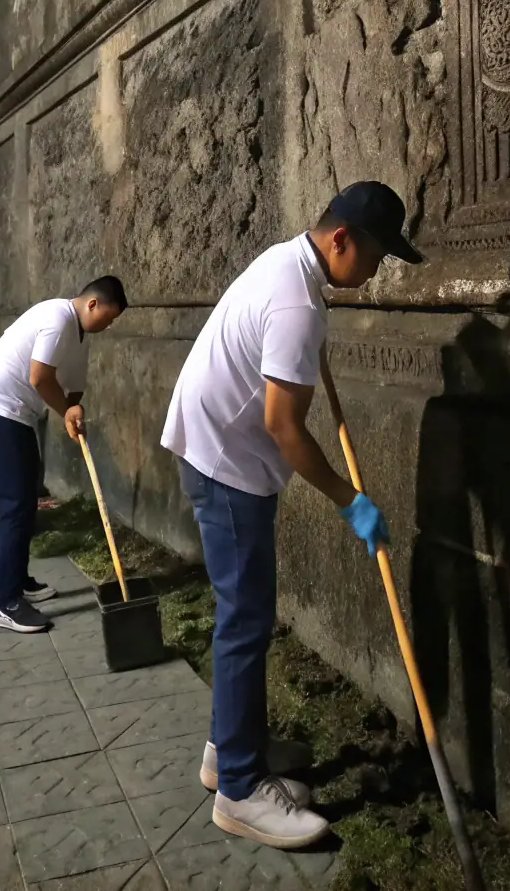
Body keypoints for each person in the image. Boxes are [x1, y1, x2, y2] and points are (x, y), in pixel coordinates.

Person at [161, 181, 422, 849]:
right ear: (340, 239)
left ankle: (228, 749)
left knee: (240, 613)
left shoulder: (289, 264)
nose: (375, 269)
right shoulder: (297, 300)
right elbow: (284, 425)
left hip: (212, 439)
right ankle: (241, 792)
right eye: (375, 255)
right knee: (246, 618)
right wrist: (349, 500)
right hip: (228, 460)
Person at [0, 276, 129, 634]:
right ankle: (5, 603)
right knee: (16, 501)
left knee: (27, 495)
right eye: (109, 317)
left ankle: (18, 578)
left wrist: (74, 411)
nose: (109, 325)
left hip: (15, 413)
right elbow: (39, 377)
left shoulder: (81, 334)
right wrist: (65, 412)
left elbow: (74, 388)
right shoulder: (57, 317)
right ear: (92, 304)